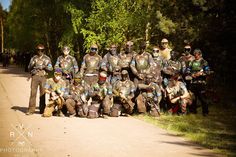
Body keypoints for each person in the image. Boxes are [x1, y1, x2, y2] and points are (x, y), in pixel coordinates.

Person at [26, 44, 53, 115]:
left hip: (43, 77)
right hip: (35, 77)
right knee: (33, 93)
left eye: (42, 50)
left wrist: (44, 66)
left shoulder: (47, 59)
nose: (40, 51)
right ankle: (31, 110)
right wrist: (33, 64)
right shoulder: (34, 58)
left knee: (43, 94)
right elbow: (28, 67)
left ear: (44, 50)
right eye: (38, 50)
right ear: (36, 50)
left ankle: (42, 109)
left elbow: (51, 68)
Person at [186, 49, 211, 116]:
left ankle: (205, 112)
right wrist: (192, 75)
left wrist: (201, 74)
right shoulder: (191, 62)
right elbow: (187, 70)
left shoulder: (204, 62)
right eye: (195, 54)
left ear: (200, 54)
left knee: (203, 98)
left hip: (201, 82)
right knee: (193, 98)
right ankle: (193, 111)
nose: (196, 55)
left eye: (197, 54)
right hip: (193, 82)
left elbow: (208, 71)